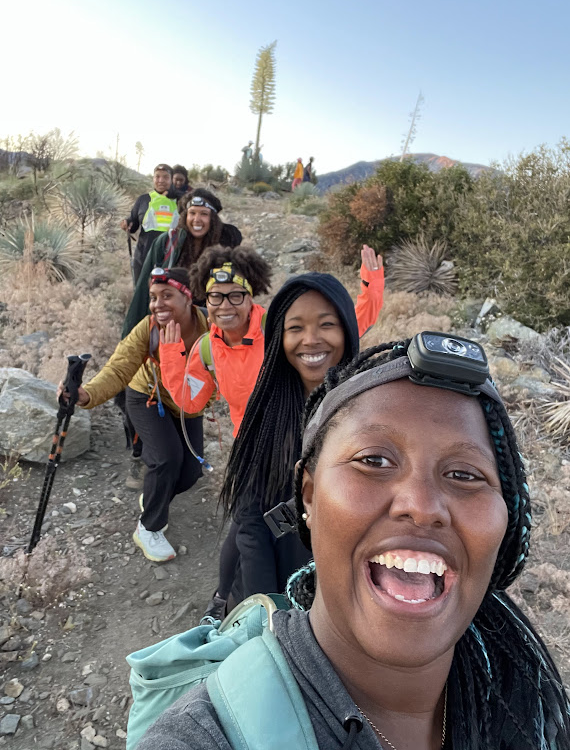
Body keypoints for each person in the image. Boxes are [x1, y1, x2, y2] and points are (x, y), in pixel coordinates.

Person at [138, 337, 570, 750]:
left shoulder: (523, 689)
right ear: (308, 493)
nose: (421, 506)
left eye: (464, 475)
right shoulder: (205, 735)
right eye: (374, 461)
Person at [219, 245, 384, 605]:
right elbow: (250, 522)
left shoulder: (374, 413)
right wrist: (268, 609)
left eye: (327, 325)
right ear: (280, 340)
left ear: (346, 330)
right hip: (276, 581)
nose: (311, 339)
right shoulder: (268, 413)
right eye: (296, 328)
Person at [59, 268, 208, 563]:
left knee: (190, 472)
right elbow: (118, 368)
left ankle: (155, 495)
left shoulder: (210, 327)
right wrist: (86, 395)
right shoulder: (148, 328)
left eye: (168, 296)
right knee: (166, 458)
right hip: (147, 396)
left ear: (188, 298)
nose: (157, 304)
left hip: (189, 404)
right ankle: (148, 527)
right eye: (153, 298)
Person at [160, 245, 272, 437]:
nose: (225, 306)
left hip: (295, 445)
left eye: (236, 296)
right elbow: (190, 402)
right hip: (248, 446)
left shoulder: (275, 332)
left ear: (250, 299)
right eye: (216, 296)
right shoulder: (207, 349)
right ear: (207, 301)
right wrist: (171, 358)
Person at [122, 189, 242, 339]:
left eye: (203, 214)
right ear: (185, 216)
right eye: (192, 213)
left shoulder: (225, 249)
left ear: (213, 218)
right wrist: (129, 336)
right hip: (167, 329)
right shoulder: (166, 243)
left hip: (210, 332)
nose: (197, 219)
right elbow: (143, 293)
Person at [120, 164, 179, 284]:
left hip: (172, 259)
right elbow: (134, 223)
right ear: (153, 179)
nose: (161, 180)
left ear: (172, 179)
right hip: (144, 258)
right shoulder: (143, 199)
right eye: (157, 177)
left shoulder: (181, 200)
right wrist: (127, 223)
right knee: (142, 296)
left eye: (165, 177)